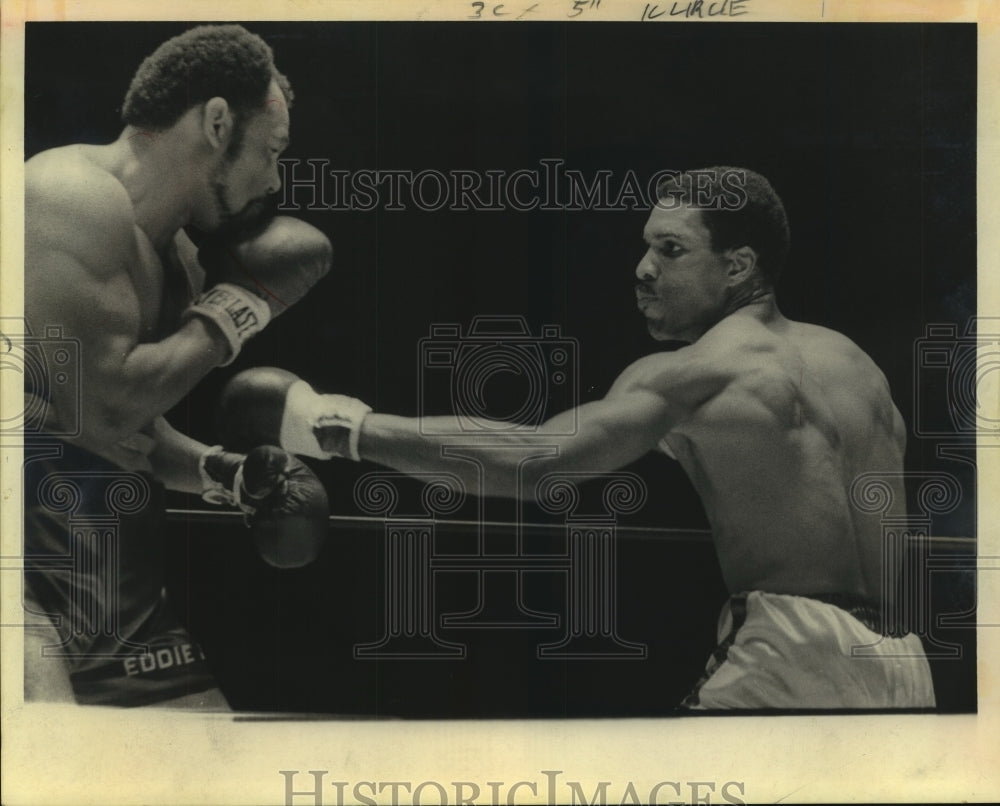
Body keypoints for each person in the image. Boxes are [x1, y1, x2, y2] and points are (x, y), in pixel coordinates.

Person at [220, 166, 937, 709]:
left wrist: (331, 424)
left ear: (739, 267)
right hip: (906, 669)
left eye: (671, 249)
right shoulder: (856, 367)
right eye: (644, 247)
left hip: (791, 656)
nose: (643, 269)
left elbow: (537, 463)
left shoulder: (697, 373)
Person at [23, 25, 331, 708]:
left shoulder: (178, 264)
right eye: (271, 153)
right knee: (51, 755)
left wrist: (223, 474)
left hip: (99, 588)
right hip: (19, 587)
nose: (274, 182)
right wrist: (244, 305)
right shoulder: (65, 194)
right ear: (217, 123)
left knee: (212, 764)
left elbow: (126, 436)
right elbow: (111, 407)